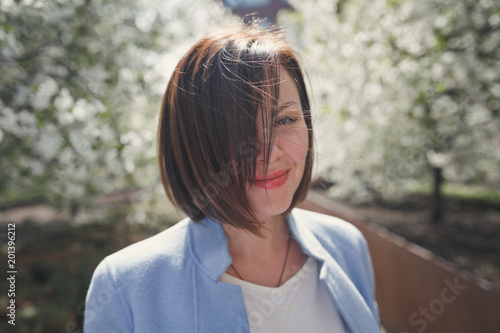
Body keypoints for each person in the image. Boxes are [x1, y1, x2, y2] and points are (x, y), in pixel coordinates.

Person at [84, 25, 380, 333]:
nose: (270, 152)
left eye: (285, 119)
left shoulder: (346, 245)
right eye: (240, 132)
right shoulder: (128, 286)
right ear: (194, 147)